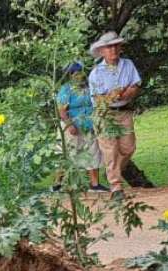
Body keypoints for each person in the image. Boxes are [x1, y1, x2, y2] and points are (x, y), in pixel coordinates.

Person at [88, 31, 142, 199]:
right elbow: (97, 99)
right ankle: (116, 186)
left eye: (115, 46)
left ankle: (112, 172)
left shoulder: (128, 64)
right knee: (109, 150)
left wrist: (125, 94)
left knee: (128, 148)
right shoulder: (96, 73)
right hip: (104, 114)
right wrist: (112, 96)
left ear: (120, 48)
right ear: (102, 51)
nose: (113, 50)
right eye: (109, 47)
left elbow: (136, 85)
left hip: (124, 111)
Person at [55, 62, 109, 192]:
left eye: (80, 72)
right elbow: (61, 111)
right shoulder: (66, 89)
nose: (79, 76)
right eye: (75, 73)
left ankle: (94, 184)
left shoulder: (90, 87)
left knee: (93, 152)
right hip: (71, 125)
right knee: (67, 154)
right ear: (70, 75)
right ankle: (58, 184)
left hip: (89, 124)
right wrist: (69, 125)